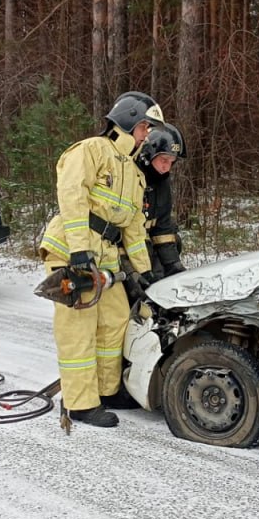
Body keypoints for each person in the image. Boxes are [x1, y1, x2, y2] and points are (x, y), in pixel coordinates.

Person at [39, 92, 164, 428]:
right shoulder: (91, 150)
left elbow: (134, 229)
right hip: (71, 247)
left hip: (105, 255)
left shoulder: (134, 173)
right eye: (144, 127)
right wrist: (79, 250)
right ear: (126, 121)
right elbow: (72, 197)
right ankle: (79, 403)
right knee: (79, 327)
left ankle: (107, 391)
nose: (147, 135)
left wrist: (144, 272)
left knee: (116, 321)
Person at [136, 122, 188, 280]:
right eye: (164, 160)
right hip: (126, 247)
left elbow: (163, 226)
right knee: (154, 276)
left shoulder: (161, 181)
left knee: (174, 242)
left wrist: (173, 264)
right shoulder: (131, 177)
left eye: (172, 162)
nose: (167, 167)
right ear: (148, 154)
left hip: (147, 242)